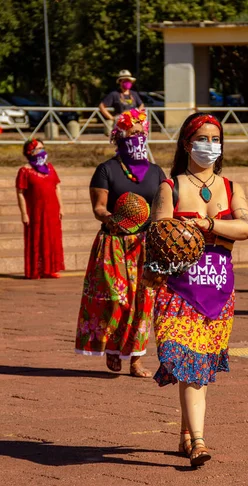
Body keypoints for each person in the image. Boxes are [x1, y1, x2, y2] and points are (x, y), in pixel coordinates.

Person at [151, 112, 248, 467]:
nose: (209, 145)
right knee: (190, 361)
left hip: (218, 289)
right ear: (186, 144)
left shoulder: (231, 188)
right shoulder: (171, 187)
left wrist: (207, 223)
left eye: (215, 139)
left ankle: (184, 433)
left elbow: (247, 228)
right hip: (179, 288)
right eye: (202, 139)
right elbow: (158, 233)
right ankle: (198, 440)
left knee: (200, 365)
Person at [75, 108, 166, 375]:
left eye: (141, 133)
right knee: (116, 300)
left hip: (146, 245)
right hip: (114, 244)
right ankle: (113, 350)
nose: (138, 137)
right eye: (132, 133)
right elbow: (99, 208)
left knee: (143, 301)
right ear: (120, 137)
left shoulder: (156, 172)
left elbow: (163, 205)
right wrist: (114, 219)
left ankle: (136, 358)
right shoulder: (107, 169)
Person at [16, 138, 64, 279]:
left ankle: (50, 269)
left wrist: (61, 207)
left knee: (52, 239)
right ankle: (35, 270)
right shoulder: (25, 171)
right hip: (35, 211)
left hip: (51, 209)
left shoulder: (49, 168)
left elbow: (57, 187)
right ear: (30, 152)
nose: (42, 151)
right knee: (36, 239)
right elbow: (20, 193)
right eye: (38, 148)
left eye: (43, 148)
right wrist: (24, 213)